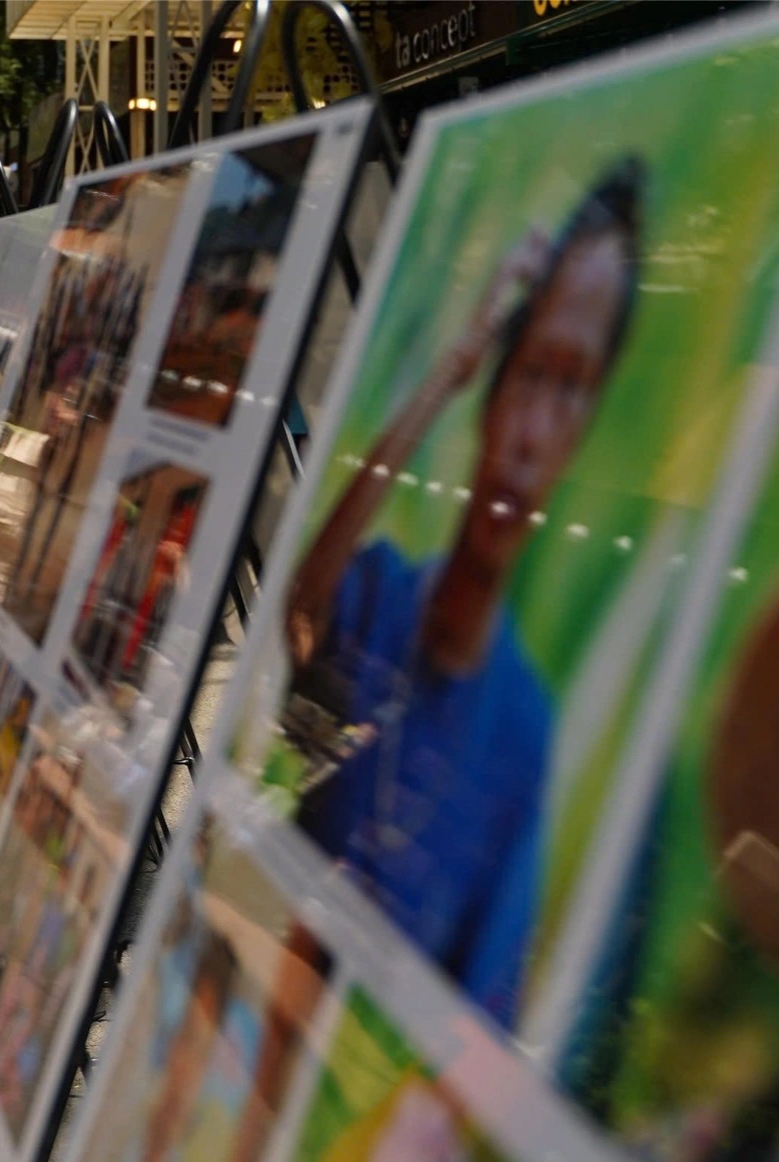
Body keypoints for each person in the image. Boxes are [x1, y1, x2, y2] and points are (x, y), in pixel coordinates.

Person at [279, 158, 645, 1025]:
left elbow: (478, 1027)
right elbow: (301, 610)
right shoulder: (380, 596)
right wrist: (449, 368)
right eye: (529, 373)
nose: (532, 436)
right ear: (488, 387)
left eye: (572, 387)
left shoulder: (522, 737)